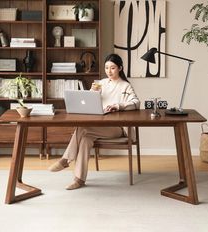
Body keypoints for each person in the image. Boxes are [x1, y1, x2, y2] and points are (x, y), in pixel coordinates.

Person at [48, 53, 140, 190]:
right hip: (99, 125)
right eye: (107, 68)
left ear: (120, 68)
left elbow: (136, 103)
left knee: (81, 128)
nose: (109, 71)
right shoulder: (101, 83)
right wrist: (91, 92)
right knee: (85, 139)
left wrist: (118, 106)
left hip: (116, 128)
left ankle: (66, 159)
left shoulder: (125, 86)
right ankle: (79, 179)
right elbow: (89, 102)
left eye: (113, 68)